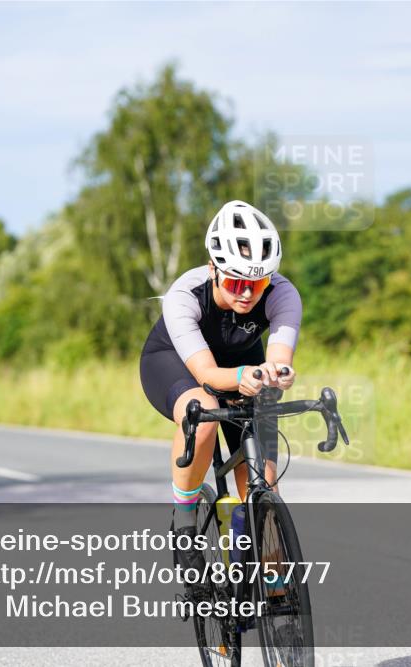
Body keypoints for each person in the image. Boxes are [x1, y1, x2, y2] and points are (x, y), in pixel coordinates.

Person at [139, 200, 302, 578]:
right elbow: (209, 374)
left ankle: (266, 575)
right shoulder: (184, 295)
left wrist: (279, 372)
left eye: (257, 283)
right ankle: (184, 522)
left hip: (244, 363)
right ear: (213, 268)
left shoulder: (283, 293)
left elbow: (278, 356)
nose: (247, 294)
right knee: (204, 413)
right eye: (235, 282)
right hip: (176, 362)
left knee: (264, 481)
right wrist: (245, 373)